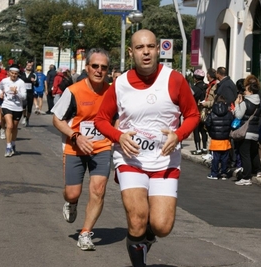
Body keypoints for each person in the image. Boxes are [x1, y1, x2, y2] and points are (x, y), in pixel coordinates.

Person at [94, 29, 199, 267]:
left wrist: (179, 134)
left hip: (165, 162)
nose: (146, 52)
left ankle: (146, 238)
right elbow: (101, 119)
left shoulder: (174, 79)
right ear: (131, 52)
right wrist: (119, 137)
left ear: (158, 49)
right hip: (131, 161)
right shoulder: (120, 84)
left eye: (150, 47)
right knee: (138, 219)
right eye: (140, 48)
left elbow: (193, 114)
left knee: (162, 226)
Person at [52, 48, 114, 251]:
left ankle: (85, 233)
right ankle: (71, 202)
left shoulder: (112, 92)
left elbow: (119, 117)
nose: (99, 70)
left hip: (101, 148)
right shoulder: (74, 91)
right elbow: (57, 119)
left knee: (98, 190)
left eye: (103, 67)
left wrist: (116, 135)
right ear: (87, 67)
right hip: (75, 148)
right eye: (95, 66)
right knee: (72, 193)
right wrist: (76, 136)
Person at [233, 75, 261, 186]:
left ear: (250, 90)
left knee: (244, 154)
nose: (244, 92)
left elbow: (239, 115)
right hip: (255, 131)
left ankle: (246, 177)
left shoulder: (246, 103)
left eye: (246, 89)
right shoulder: (259, 102)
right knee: (253, 152)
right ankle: (258, 170)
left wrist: (237, 104)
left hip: (245, 132)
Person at [0, 64, 27, 157]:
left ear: (18, 74)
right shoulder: (4, 81)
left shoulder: (21, 83)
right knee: (9, 126)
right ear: (9, 73)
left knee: (14, 127)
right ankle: (8, 147)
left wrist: (17, 92)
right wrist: (0, 93)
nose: (14, 75)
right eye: (12, 73)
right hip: (6, 106)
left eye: (16, 74)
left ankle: (13, 144)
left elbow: (24, 97)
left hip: (17, 108)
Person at [204, 95, 234, 180]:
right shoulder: (229, 113)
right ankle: (224, 173)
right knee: (225, 157)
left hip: (215, 139)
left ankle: (214, 173)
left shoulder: (212, 113)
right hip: (225, 139)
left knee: (215, 158)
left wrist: (211, 132)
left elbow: (207, 124)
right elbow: (232, 123)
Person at [191, 69, 208, 155]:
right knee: (203, 130)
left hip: (196, 111)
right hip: (205, 111)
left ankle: (198, 149)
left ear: (195, 78)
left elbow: (189, 99)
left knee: (196, 130)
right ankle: (205, 148)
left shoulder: (194, 89)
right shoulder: (207, 87)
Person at [19, 60, 38, 127]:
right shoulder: (22, 74)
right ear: (26, 66)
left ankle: (27, 119)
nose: (29, 66)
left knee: (29, 107)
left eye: (30, 66)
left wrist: (34, 81)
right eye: (28, 65)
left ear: (32, 67)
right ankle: (24, 116)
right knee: (23, 106)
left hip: (30, 93)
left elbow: (37, 84)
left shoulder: (34, 75)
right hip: (23, 92)